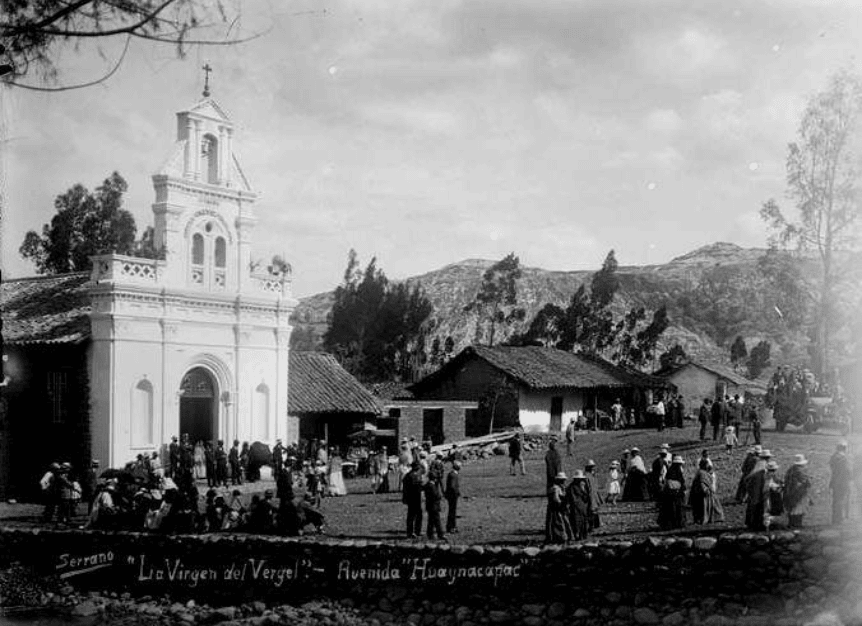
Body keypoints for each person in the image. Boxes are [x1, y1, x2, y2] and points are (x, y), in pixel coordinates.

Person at [742, 449, 772, 531]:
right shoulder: (764, 467)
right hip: (759, 492)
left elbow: (748, 478)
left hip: (753, 491)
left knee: (753, 507)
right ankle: (759, 525)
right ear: (767, 457)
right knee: (760, 508)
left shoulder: (759, 464)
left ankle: (751, 524)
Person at [783, 454, 812, 528]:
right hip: (799, 493)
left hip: (789, 492)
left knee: (792, 509)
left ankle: (791, 524)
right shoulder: (800, 471)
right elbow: (807, 483)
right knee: (799, 509)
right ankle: (797, 524)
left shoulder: (790, 470)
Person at [658, 456, 687, 530]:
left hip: (669, 493)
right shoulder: (677, 471)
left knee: (670, 509)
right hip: (675, 494)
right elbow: (681, 482)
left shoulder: (671, 470)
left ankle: (669, 524)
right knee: (677, 509)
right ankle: (677, 524)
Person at [690, 458, 721, 524]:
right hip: (702, 493)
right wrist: (706, 490)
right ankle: (705, 519)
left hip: (700, 493)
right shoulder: (702, 473)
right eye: (706, 464)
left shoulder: (701, 472)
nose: (707, 466)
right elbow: (702, 483)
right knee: (704, 507)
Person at [546, 471, 573, 544]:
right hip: (556, 509)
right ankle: (560, 539)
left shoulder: (561, 488)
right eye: (563, 480)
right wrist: (562, 504)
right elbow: (556, 499)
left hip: (560, 509)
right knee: (559, 524)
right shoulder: (555, 488)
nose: (564, 481)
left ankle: (564, 538)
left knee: (564, 523)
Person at [829, 442, 851, 525]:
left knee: (835, 501)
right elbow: (848, 471)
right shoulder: (844, 458)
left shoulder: (833, 457)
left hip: (835, 482)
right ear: (844, 448)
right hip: (843, 482)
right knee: (842, 500)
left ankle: (835, 519)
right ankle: (840, 519)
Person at [403, 461, 424, 539]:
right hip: (414, 498)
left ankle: (412, 532)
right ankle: (415, 532)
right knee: (415, 516)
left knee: (412, 516)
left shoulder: (408, 475)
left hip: (412, 498)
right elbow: (417, 487)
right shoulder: (414, 476)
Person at [424, 465, 446, 540]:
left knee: (431, 521)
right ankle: (440, 534)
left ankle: (430, 534)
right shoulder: (432, 486)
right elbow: (436, 496)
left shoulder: (427, 485)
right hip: (434, 506)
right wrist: (440, 496)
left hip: (429, 505)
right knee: (437, 521)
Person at [583, 460, 602, 531]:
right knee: (591, 511)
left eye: (593, 467)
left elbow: (595, 487)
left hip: (594, 495)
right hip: (590, 495)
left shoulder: (592, 475)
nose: (592, 468)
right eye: (591, 467)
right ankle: (591, 526)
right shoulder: (586, 476)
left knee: (594, 510)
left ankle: (595, 524)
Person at [445, 461, 461, 534]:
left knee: (452, 511)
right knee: (452, 512)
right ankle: (451, 527)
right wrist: (456, 493)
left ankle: (452, 526)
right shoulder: (453, 475)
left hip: (450, 495)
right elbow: (452, 486)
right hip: (452, 496)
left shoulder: (451, 474)